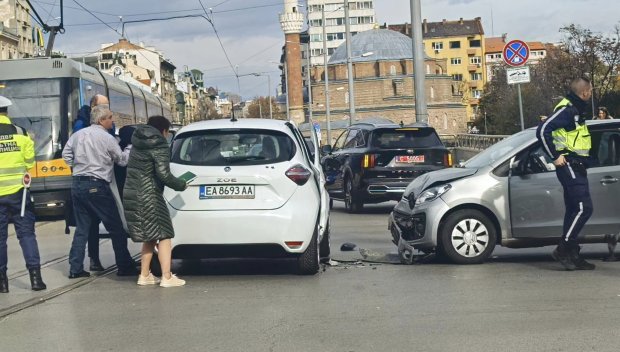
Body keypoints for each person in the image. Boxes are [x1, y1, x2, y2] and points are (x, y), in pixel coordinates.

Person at [62, 104, 138, 278]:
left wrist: (78, 167)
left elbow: (66, 155)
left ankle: (75, 269)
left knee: (82, 229)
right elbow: (122, 161)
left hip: (78, 184)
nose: (112, 121)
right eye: (110, 117)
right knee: (116, 228)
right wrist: (129, 147)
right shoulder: (107, 138)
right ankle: (124, 266)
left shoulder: (77, 135)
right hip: (98, 186)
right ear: (101, 120)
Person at [537, 77, 595, 271]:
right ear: (585, 92)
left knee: (574, 209)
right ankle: (564, 248)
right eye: (591, 91)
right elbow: (543, 130)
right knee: (583, 208)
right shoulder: (569, 109)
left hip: (577, 165)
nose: (591, 94)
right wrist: (554, 156)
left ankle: (572, 253)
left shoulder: (576, 109)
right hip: (569, 164)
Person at [123, 116, 187, 287]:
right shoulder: (159, 144)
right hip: (150, 194)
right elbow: (164, 174)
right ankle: (166, 277)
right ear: (164, 131)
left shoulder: (137, 142)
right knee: (165, 234)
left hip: (133, 193)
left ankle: (144, 275)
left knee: (150, 236)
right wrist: (181, 184)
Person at [0, 96, 46, 292]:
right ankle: (35, 279)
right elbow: (30, 163)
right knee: (26, 235)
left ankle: (2, 282)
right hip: (20, 195)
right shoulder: (21, 133)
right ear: (7, 112)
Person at [68, 94, 111, 272]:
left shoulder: (106, 122)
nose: (108, 109)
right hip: (95, 181)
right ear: (94, 107)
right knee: (112, 224)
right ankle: (122, 263)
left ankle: (78, 266)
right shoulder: (81, 125)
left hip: (82, 182)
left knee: (85, 227)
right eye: (104, 105)